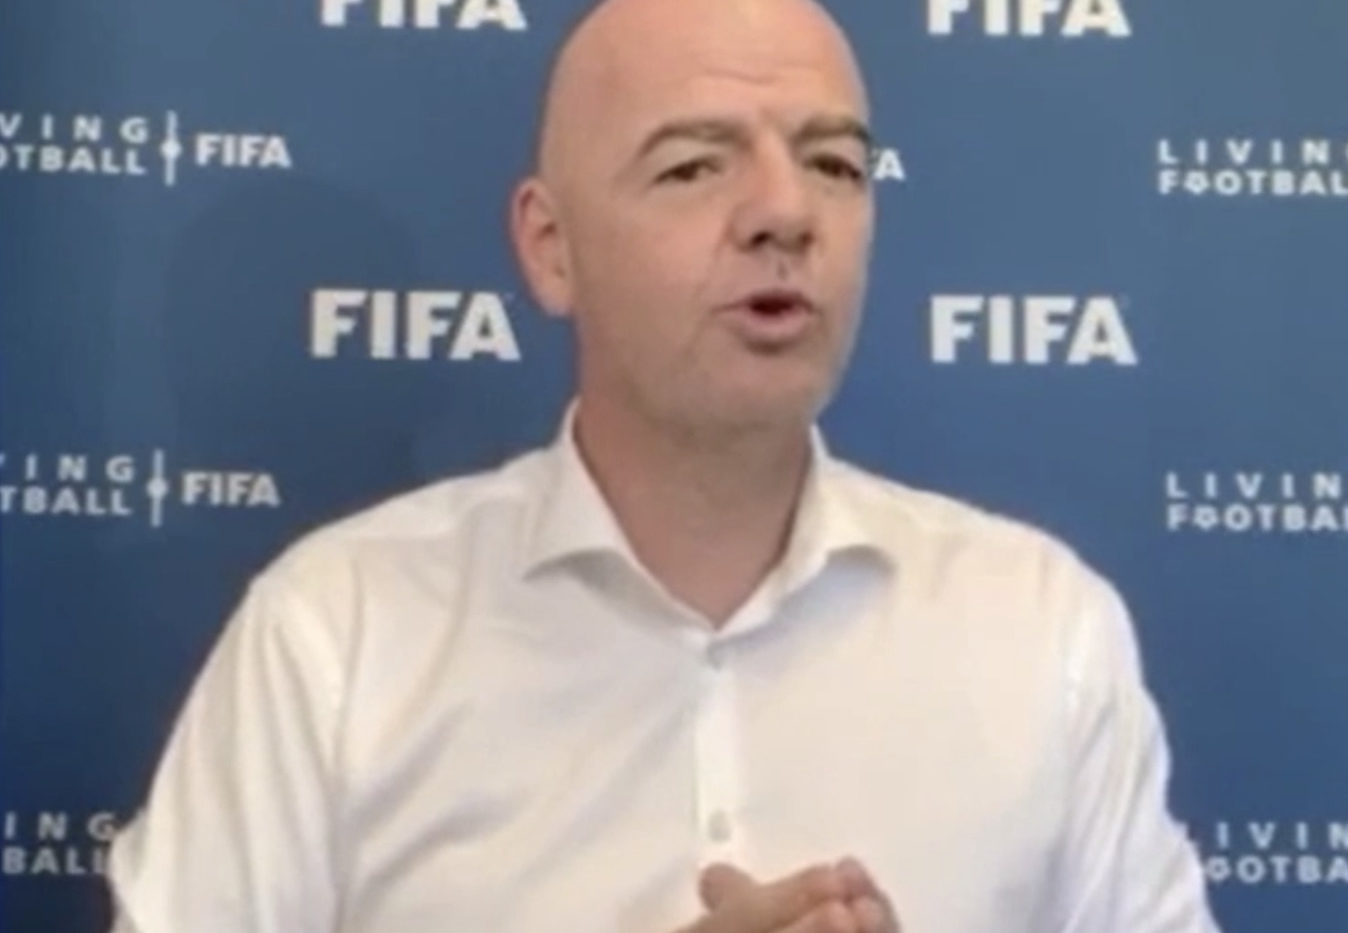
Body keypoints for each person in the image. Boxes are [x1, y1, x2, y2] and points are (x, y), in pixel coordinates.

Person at [105, 0, 1222, 930]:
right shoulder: (336, 635)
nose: (786, 212)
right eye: (693, 166)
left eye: (835, 163)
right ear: (551, 248)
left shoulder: (1041, 631)